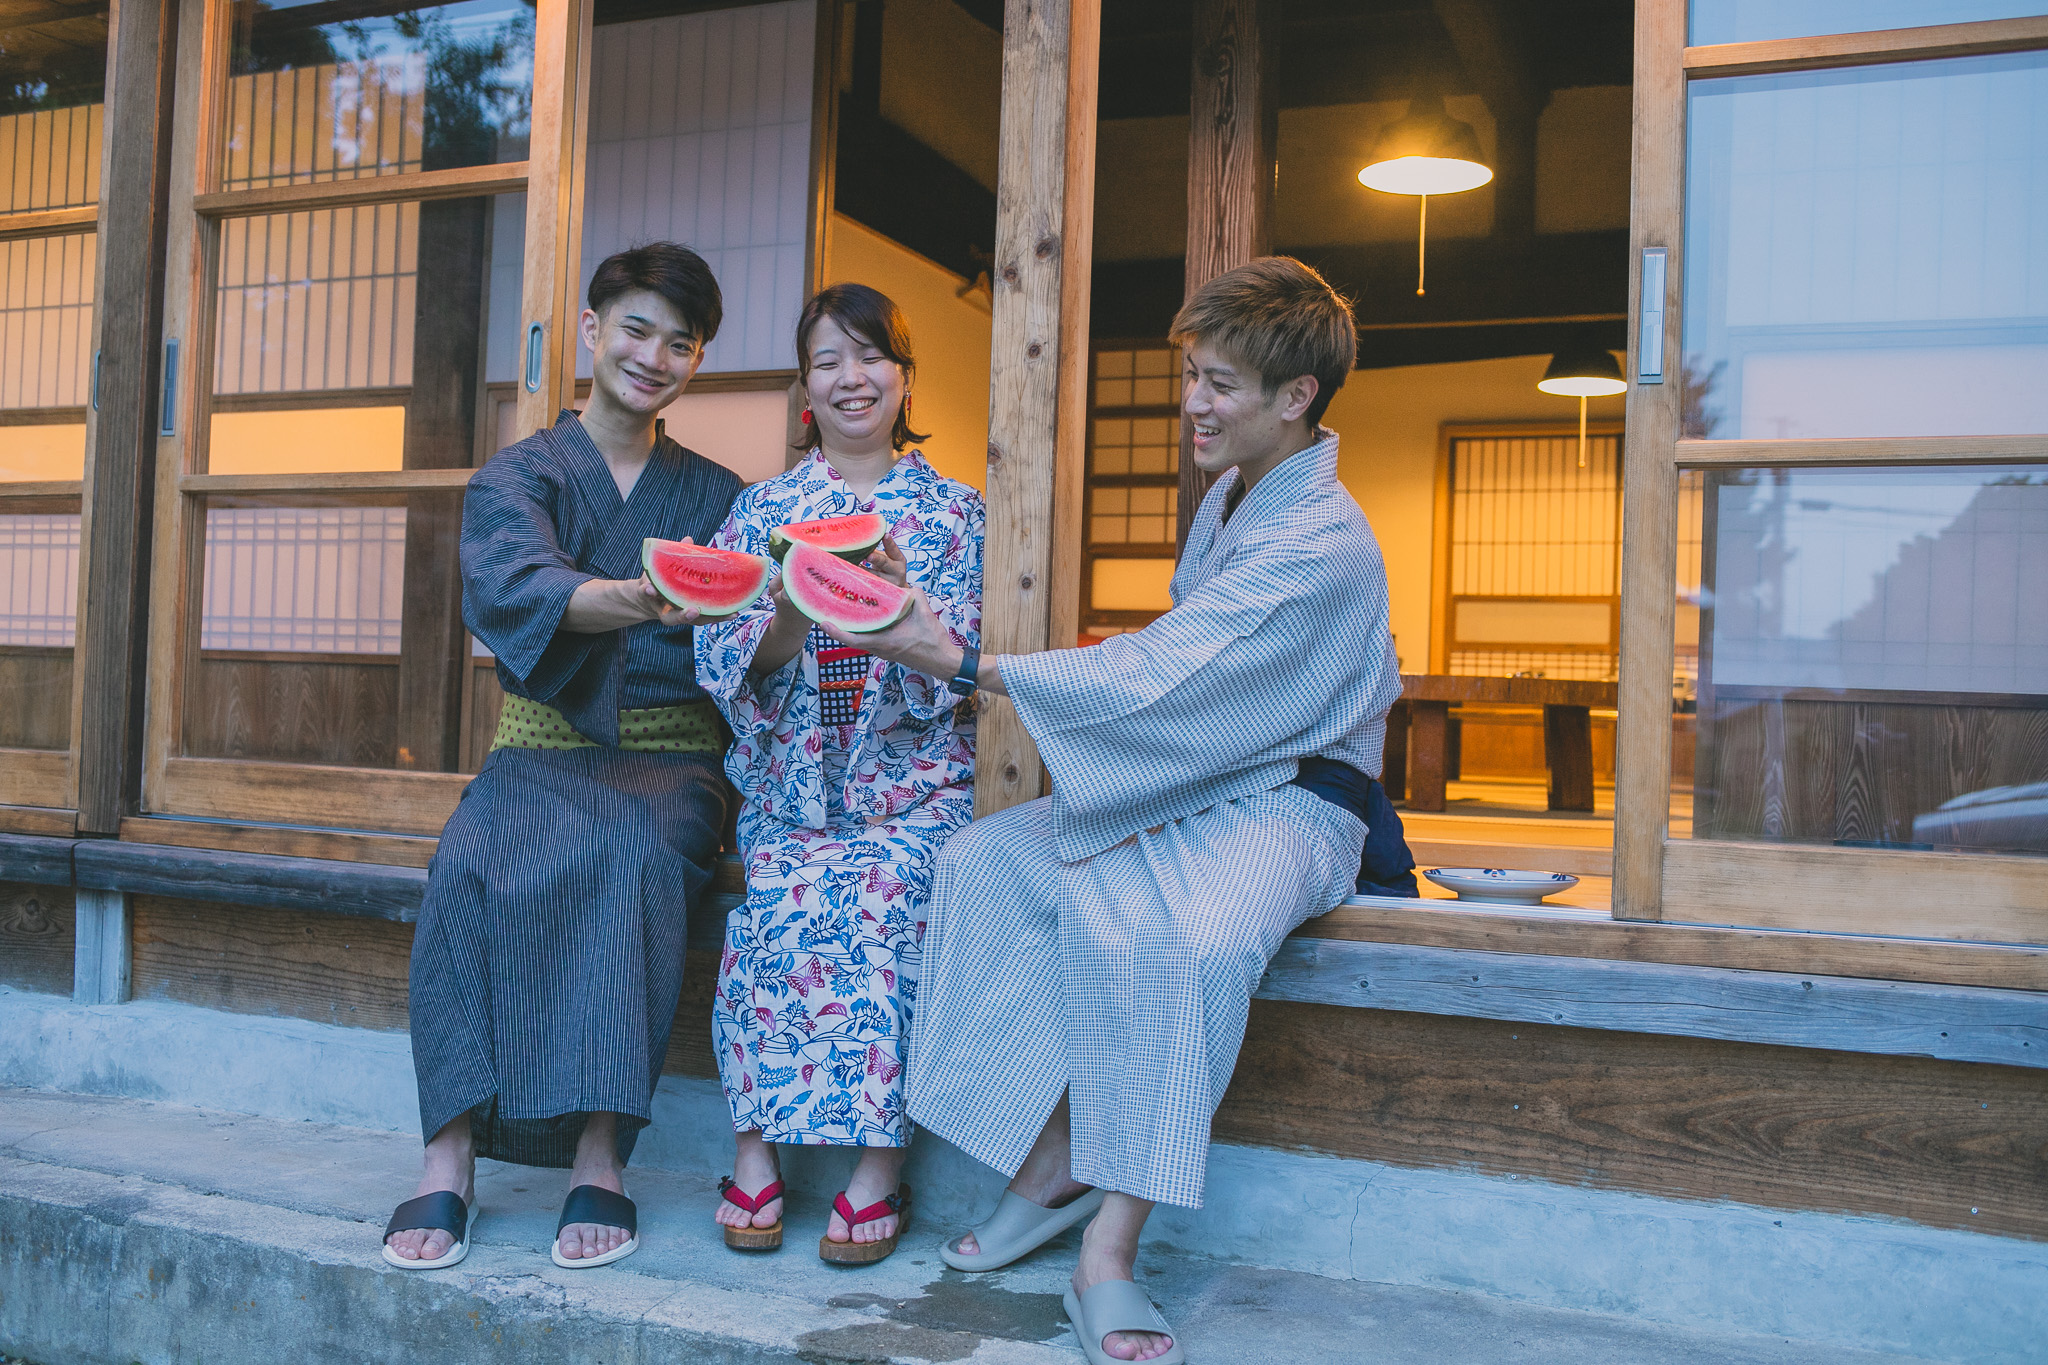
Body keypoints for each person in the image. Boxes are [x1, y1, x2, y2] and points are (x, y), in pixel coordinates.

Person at [836, 257, 1399, 1364]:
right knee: (990, 863)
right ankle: (1052, 1156)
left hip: (1294, 805)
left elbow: (1168, 676)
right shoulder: (1235, 495)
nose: (1192, 402)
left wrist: (957, 660)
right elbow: (1181, 685)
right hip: (1199, 784)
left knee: (1180, 936)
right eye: (1190, 374)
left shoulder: (1318, 538)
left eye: (1221, 383)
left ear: (1296, 398)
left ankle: (1107, 1245)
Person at [381, 244, 742, 1273]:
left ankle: (601, 1157)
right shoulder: (516, 475)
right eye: (635, 329)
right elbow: (520, 585)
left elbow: (755, 612)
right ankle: (446, 1156)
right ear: (591, 332)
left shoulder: (718, 492)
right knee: (463, 868)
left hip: (671, 761)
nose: (653, 355)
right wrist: (636, 596)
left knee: (633, 869)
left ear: (695, 362)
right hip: (536, 752)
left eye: (680, 342)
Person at [695, 283, 983, 1263]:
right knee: (765, 901)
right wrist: (787, 608)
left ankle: (876, 1171)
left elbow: (970, 667)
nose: (850, 377)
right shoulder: (761, 510)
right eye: (827, 361)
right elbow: (728, 662)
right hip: (790, 795)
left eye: (871, 357)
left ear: (904, 379)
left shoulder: (956, 515)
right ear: (804, 389)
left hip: (910, 797)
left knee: (884, 894)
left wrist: (897, 608)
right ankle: (756, 1153)